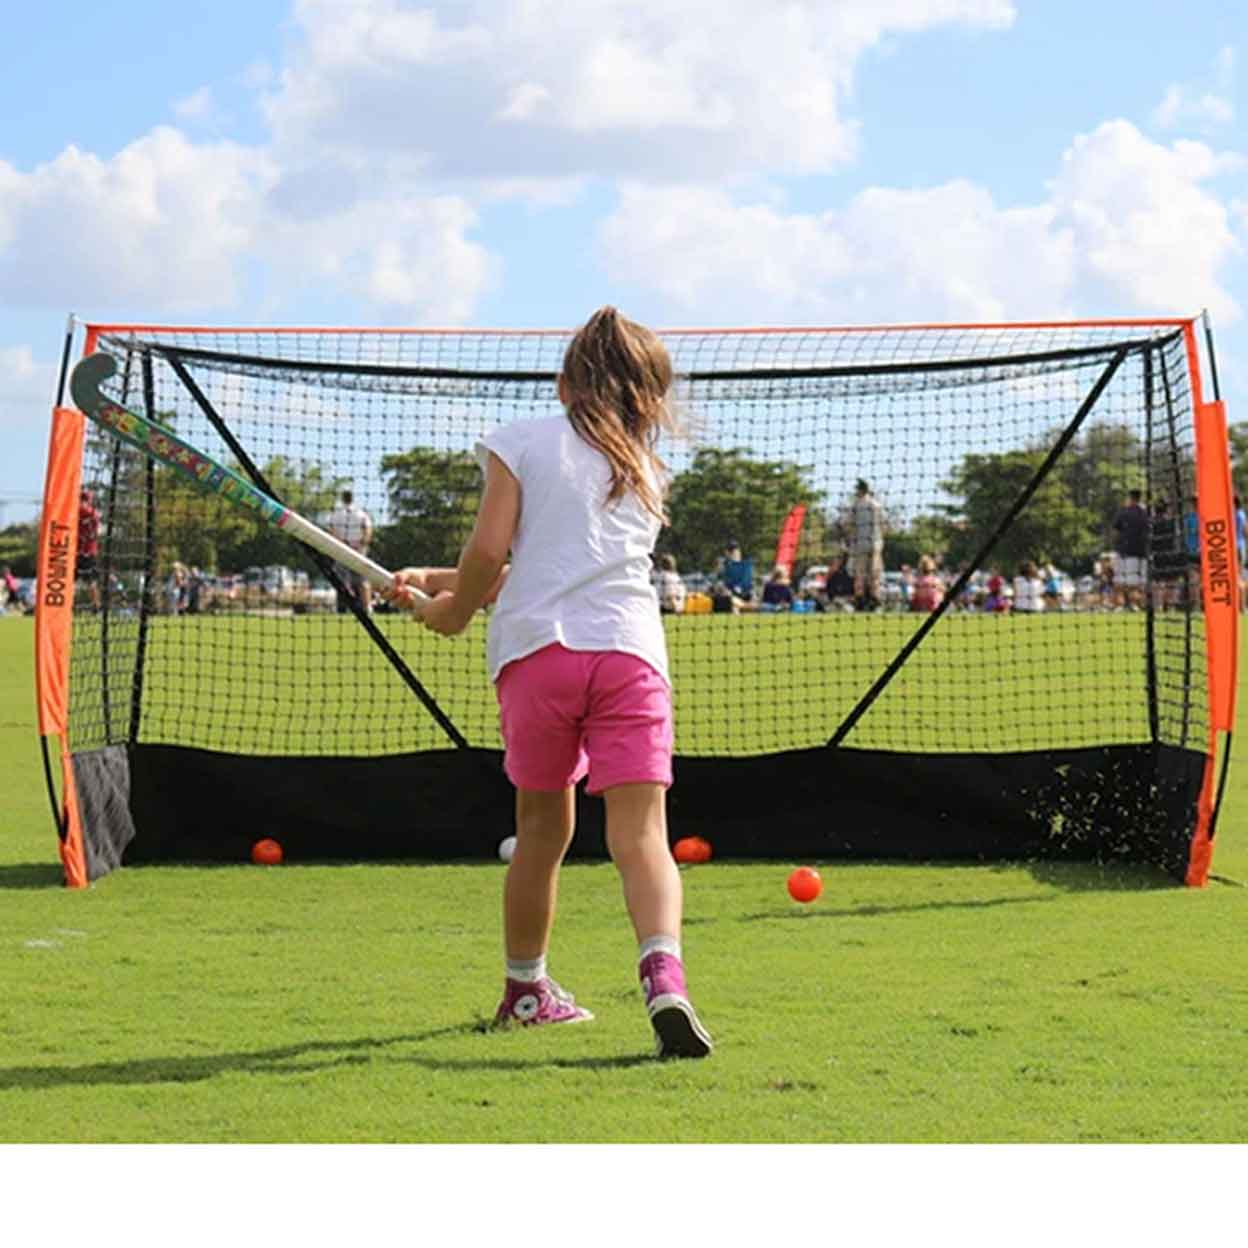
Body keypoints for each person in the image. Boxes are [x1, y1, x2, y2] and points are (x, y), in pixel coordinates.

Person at [387, 306, 712, 1060]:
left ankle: (526, 988)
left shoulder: (521, 440)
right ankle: (664, 976)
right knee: (642, 837)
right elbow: (549, 562)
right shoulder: (642, 466)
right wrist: (439, 583)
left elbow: (493, 550)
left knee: (541, 831)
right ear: (645, 396)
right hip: (628, 657)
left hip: (538, 659)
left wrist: (453, 611)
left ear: (564, 381)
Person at [325, 489, 375, 614]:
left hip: (342, 550)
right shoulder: (360, 513)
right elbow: (368, 529)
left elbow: (331, 530)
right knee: (363, 581)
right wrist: (363, 543)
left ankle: (344, 608)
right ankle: (367, 607)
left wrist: (340, 543)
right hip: (358, 550)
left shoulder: (336, 514)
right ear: (353, 498)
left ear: (342, 498)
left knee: (342, 581)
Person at [847, 479, 884, 610]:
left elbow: (850, 525)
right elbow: (882, 524)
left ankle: (860, 600)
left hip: (860, 544)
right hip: (876, 543)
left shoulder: (855, 506)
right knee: (875, 574)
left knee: (860, 574)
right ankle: (875, 600)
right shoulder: (876, 505)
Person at [1112, 489, 1148, 610]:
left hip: (1124, 550)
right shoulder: (1144, 513)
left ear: (1130, 498)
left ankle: (1121, 605)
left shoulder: (1123, 512)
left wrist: (1116, 545)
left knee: (1120, 580)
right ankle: (1134, 605)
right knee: (1135, 580)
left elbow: (1115, 531)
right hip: (1139, 552)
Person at [77, 487, 102, 612]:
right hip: (90, 551)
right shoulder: (94, 513)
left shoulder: (80, 509)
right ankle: (96, 605)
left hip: (79, 551)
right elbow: (98, 532)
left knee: (72, 580)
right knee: (91, 581)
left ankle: (96, 605)